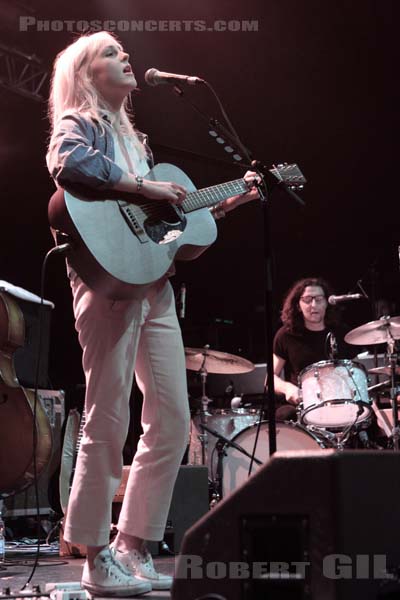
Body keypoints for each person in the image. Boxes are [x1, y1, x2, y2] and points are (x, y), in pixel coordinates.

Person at [46, 31, 260, 597]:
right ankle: (93, 556)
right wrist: (144, 185)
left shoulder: (134, 137)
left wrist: (231, 198)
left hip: (154, 284)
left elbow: (165, 224)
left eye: (123, 51)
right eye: (113, 53)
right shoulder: (81, 123)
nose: (126, 58)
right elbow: (67, 165)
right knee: (108, 414)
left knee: (170, 418)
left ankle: (132, 545)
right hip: (107, 283)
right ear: (87, 71)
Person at [273, 277, 356, 421]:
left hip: (339, 401)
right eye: (307, 299)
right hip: (302, 405)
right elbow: (270, 379)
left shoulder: (342, 332)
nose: (314, 305)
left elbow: (354, 375)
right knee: (284, 415)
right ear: (298, 305)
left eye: (319, 299)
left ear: (327, 302)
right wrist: (287, 388)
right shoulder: (285, 335)